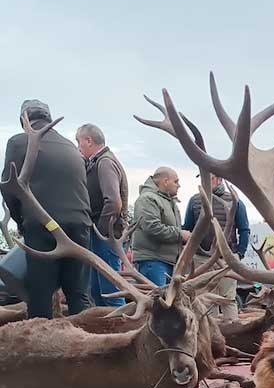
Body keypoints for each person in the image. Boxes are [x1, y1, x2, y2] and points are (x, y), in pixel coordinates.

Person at [1, 99, 92, 318]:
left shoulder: (18, 142)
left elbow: (8, 187)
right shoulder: (71, 147)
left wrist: (22, 223)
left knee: (40, 294)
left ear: (24, 120)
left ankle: (41, 339)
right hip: (80, 227)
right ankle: (86, 336)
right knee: (78, 294)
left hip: (44, 226)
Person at [182, 174, 250, 319]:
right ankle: (209, 331)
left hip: (226, 259)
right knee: (205, 299)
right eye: (204, 178)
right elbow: (187, 228)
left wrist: (239, 253)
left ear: (220, 179)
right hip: (202, 259)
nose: (206, 181)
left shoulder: (235, 201)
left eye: (210, 178)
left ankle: (232, 328)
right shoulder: (194, 201)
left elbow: (244, 230)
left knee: (228, 298)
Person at [75, 123, 129, 307]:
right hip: (105, 236)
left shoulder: (105, 162)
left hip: (105, 237)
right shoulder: (100, 162)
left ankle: (120, 325)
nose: (78, 147)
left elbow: (114, 202)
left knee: (110, 293)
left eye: (79, 141)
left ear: (88, 140)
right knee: (99, 292)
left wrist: (100, 231)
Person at [131, 166, 189, 286]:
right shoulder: (148, 199)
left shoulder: (170, 203)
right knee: (156, 297)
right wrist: (180, 234)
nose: (178, 185)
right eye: (176, 181)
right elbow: (152, 228)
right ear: (165, 181)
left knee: (166, 298)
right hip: (153, 261)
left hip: (167, 262)